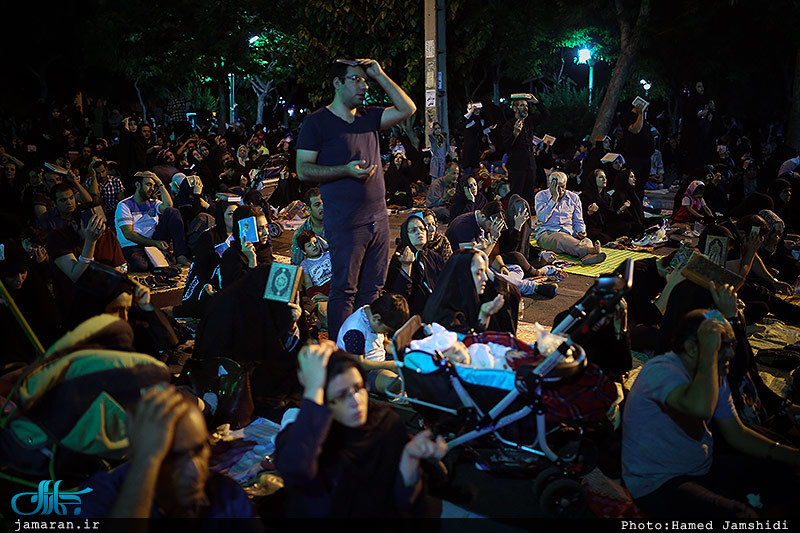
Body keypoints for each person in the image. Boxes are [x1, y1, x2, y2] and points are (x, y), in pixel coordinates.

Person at [623, 292, 800, 518]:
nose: (730, 353)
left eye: (731, 344)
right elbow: (700, 408)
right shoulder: (662, 371)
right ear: (693, 348)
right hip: (659, 482)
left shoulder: (713, 371)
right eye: (722, 346)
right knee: (740, 515)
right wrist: (709, 352)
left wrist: (792, 455)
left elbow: (736, 433)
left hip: (700, 467)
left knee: (786, 475)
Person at [296, 58, 416, 340]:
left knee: (373, 288)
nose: (363, 86)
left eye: (365, 80)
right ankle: (342, 350)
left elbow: (407, 108)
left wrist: (380, 74)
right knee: (344, 289)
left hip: (379, 219)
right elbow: (303, 169)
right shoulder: (317, 123)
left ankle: (365, 342)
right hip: (346, 223)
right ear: (337, 83)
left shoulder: (368, 117)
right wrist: (344, 170)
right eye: (357, 79)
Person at [274, 342, 446, 518]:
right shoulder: (303, 440)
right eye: (341, 396)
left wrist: (409, 458)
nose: (356, 401)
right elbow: (297, 468)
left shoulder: (385, 421)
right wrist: (313, 386)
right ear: (322, 402)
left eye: (358, 388)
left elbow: (403, 503)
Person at [80, 387, 255, 519]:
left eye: (199, 449)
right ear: (137, 454)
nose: (195, 470)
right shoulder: (96, 500)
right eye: (172, 457)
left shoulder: (226, 496)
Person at [422, 249, 520, 334]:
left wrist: (489, 272)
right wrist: (483, 316)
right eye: (478, 273)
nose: (485, 278)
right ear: (463, 275)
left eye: (484, 272)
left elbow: (512, 294)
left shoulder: (472, 297)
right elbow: (466, 346)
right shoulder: (443, 313)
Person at [114, 171, 190, 271]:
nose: (152, 189)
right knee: (140, 265)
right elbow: (129, 234)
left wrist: (159, 183)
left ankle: (180, 254)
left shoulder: (153, 203)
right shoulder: (124, 205)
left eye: (154, 186)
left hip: (154, 241)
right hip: (134, 245)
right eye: (148, 185)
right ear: (138, 185)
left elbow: (168, 206)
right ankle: (161, 259)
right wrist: (155, 243)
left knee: (172, 212)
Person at [336, 292, 409, 395]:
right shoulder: (355, 331)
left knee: (413, 366)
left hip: (380, 359)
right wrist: (390, 365)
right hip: (362, 370)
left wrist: (399, 351)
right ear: (376, 318)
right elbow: (359, 364)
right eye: (385, 330)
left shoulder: (374, 316)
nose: (385, 333)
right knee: (396, 383)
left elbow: (383, 343)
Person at [534, 171, 606, 265]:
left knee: (586, 240)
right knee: (560, 238)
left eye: (562, 186)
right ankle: (591, 250)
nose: (560, 190)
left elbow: (578, 220)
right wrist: (554, 199)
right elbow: (542, 218)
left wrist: (581, 231)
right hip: (547, 233)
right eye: (557, 187)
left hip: (569, 233)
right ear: (550, 185)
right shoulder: (541, 196)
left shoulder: (573, 197)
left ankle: (587, 257)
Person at [386, 214, 446, 316]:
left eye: (422, 229)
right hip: (413, 316)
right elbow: (399, 299)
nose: (419, 232)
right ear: (406, 235)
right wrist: (406, 267)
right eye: (413, 230)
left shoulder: (433, 256)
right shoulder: (400, 258)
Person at [501, 93, 549, 203]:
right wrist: (515, 134)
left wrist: (537, 102)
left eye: (527, 106)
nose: (525, 108)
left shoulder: (529, 121)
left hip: (530, 165)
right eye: (522, 105)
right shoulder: (508, 126)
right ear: (515, 108)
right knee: (516, 195)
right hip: (517, 166)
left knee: (529, 195)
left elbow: (546, 115)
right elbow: (506, 147)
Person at [219, 205, 273, 290]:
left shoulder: (264, 250)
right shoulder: (231, 256)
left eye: (266, 226)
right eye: (259, 229)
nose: (266, 232)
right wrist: (252, 261)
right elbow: (246, 289)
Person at [298, 230, 332, 330]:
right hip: (321, 291)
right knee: (325, 314)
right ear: (304, 251)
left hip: (335, 284)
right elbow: (309, 286)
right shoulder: (305, 264)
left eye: (315, 242)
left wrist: (328, 246)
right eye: (309, 245)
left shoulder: (329, 254)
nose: (314, 246)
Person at [609, 168, 646, 238]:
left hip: (633, 221)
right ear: (625, 178)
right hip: (623, 224)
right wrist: (623, 208)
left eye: (634, 177)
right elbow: (620, 216)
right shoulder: (619, 194)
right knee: (639, 228)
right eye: (631, 177)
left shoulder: (631, 192)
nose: (634, 179)